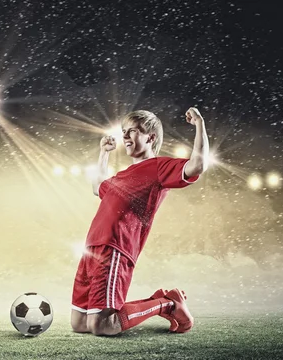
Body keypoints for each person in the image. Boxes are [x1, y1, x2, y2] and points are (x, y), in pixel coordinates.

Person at [71, 107, 209, 336]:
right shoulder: (120, 177)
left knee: (101, 326)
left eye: (132, 131)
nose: (124, 136)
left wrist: (200, 124)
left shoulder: (158, 168)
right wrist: (103, 153)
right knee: (79, 324)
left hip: (115, 249)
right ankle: (161, 300)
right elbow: (97, 188)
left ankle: (168, 304)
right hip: (91, 249)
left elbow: (197, 165)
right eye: (124, 131)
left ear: (150, 137)